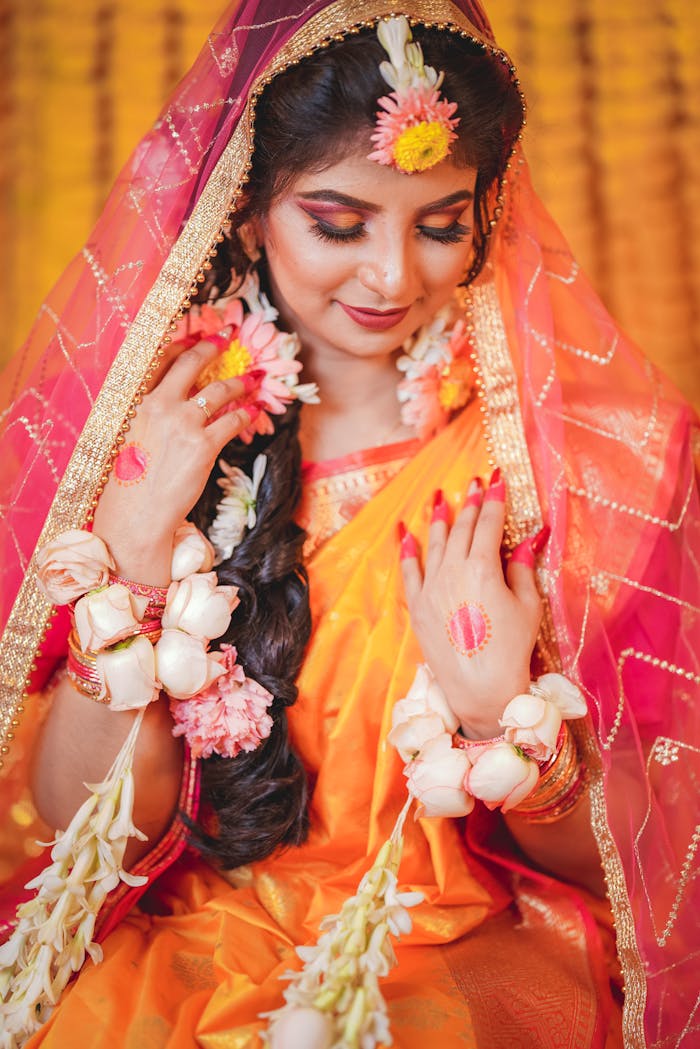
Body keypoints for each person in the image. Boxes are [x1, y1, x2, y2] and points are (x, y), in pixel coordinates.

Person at [0, 1, 697, 1047]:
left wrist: (498, 714)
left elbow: (660, 877)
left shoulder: (594, 464)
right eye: (338, 222)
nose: (390, 275)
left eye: (439, 223)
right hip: (178, 938)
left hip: (462, 946)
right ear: (246, 211)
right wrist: (136, 551)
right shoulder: (155, 440)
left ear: (487, 212)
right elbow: (83, 826)